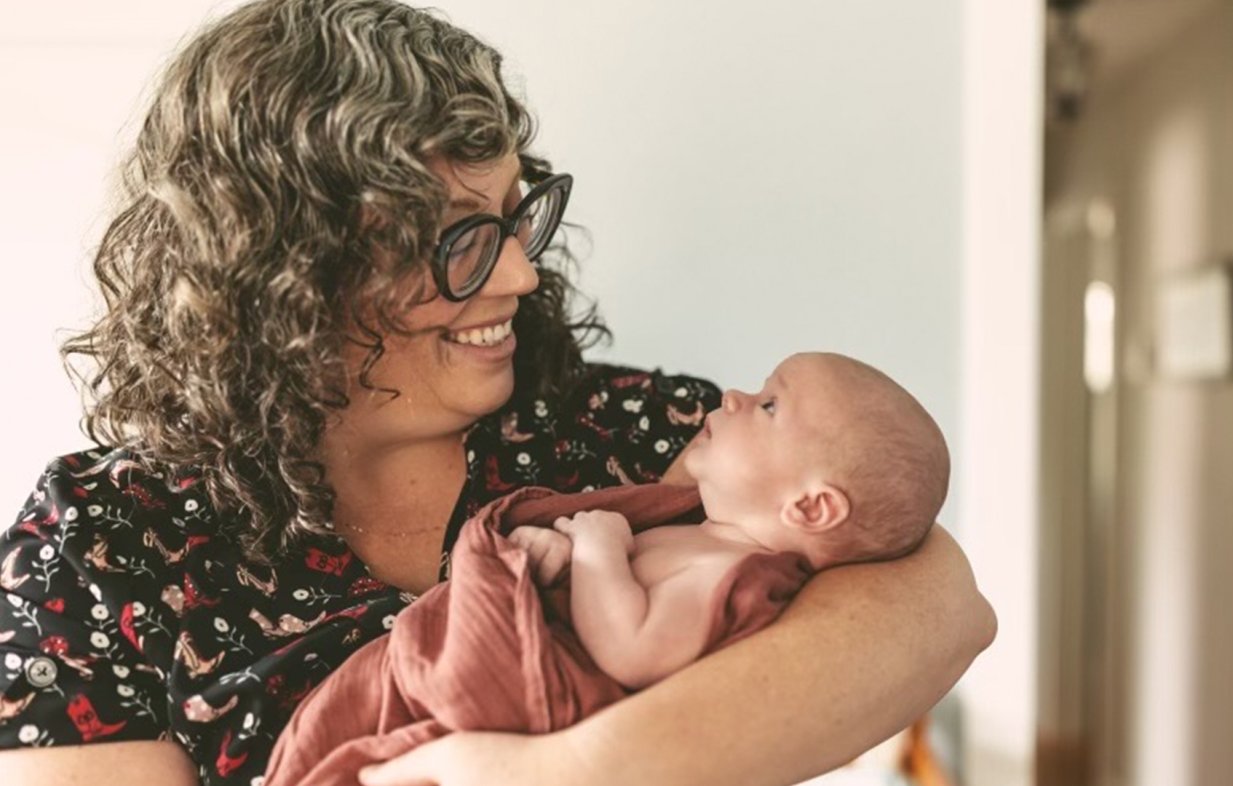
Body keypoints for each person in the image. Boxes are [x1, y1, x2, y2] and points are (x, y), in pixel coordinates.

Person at [0, 1, 997, 785]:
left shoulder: (630, 432)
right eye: (459, 238)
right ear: (288, 275)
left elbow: (939, 602)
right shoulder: (99, 540)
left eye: (517, 218)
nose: (519, 276)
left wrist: (579, 771)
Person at [263, 352, 952, 786]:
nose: (737, 396)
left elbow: (632, 648)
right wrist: (544, 559)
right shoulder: (689, 527)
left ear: (812, 507)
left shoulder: (738, 575)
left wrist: (595, 553)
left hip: (523, 703)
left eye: (771, 406)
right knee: (366, 694)